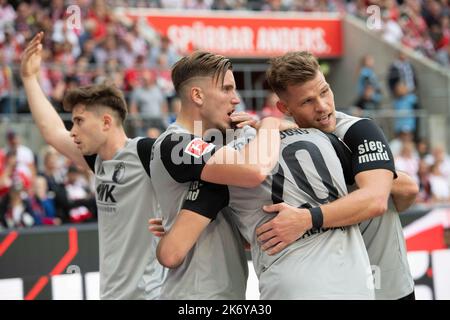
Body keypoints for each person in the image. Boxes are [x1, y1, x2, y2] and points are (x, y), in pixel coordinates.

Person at [257, 51, 418, 300]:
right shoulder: (278, 144)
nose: (322, 107)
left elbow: (384, 198)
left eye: (324, 92)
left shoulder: (358, 130)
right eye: (307, 102)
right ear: (284, 108)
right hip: (332, 288)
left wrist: (307, 219)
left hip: (387, 288)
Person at [20, 32, 166, 300]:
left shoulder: (147, 152)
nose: (72, 131)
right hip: (111, 294)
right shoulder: (98, 161)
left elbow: (206, 173)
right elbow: (51, 131)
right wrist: (29, 79)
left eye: (79, 121)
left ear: (106, 122)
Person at [149, 51, 289, 299]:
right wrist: (268, 124)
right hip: (195, 295)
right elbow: (254, 170)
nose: (236, 100)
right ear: (197, 95)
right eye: (226, 89)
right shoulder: (175, 144)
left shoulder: (216, 143)